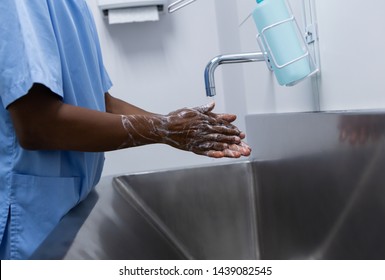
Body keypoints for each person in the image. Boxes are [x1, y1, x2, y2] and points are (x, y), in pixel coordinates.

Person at [0, 0, 251, 259]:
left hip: (67, 210)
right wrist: (166, 128)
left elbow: (103, 102)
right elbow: (38, 124)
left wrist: (177, 127)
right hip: (28, 220)